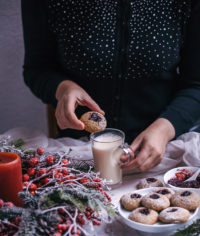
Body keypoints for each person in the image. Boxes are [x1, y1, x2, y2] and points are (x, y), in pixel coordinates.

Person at [21, 0, 200, 172]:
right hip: (79, 155)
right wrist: (62, 88)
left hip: (165, 152)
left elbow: (196, 85)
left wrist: (165, 129)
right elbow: (37, 69)